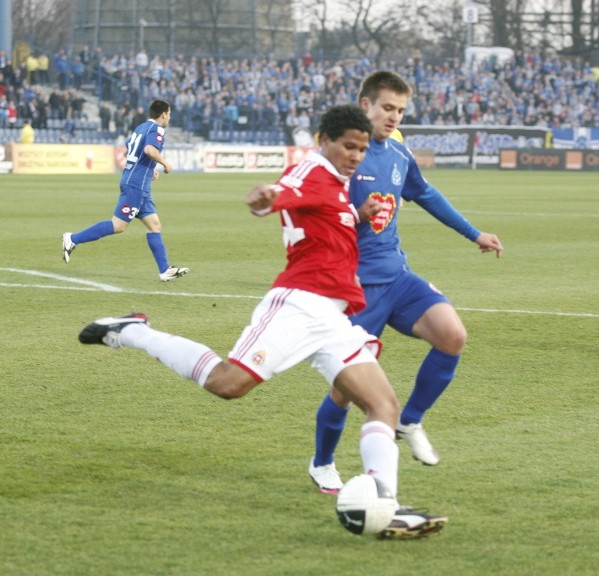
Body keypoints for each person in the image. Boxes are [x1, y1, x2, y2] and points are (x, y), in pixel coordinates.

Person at [76, 104, 447, 540]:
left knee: (383, 405)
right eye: (348, 146)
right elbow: (285, 191)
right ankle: (133, 331)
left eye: (362, 149)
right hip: (299, 304)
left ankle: (386, 506)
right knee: (228, 384)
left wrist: (358, 216)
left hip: (333, 316)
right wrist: (268, 198)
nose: (355, 155)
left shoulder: (339, 184)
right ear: (324, 139)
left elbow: (322, 219)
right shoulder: (312, 169)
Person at [308, 70, 504, 494]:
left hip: (397, 276)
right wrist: (354, 217)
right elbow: (314, 218)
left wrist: (475, 234)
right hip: (355, 289)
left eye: (400, 110)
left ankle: (409, 419)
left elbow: (427, 195)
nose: (394, 117)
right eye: (387, 108)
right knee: (346, 390)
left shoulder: (398, 154)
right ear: (366, 106)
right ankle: (322, 462)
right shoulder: (340, 157)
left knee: (452, 335)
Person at [62, 99, 189, 282]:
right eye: (169, 113)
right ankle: (72, 239)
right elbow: (149, 149)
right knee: (118, 225)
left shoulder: (141, 128)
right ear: (163, 114)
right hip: (135, 184)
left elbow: (127, 152)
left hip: (139, 183)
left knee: (154, 225)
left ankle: (165, 270)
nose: (169, 117)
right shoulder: (158, 130)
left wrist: (149, 168)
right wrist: (164, 163)